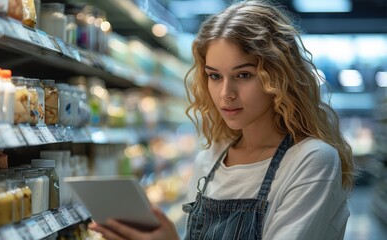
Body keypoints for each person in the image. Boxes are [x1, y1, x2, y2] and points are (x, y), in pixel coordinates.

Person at [88, 0, 355, 239]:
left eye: (243, 75)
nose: (225, 94)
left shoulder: (311, 160)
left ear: (278, 76)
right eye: (215, 76)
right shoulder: (211, 158)